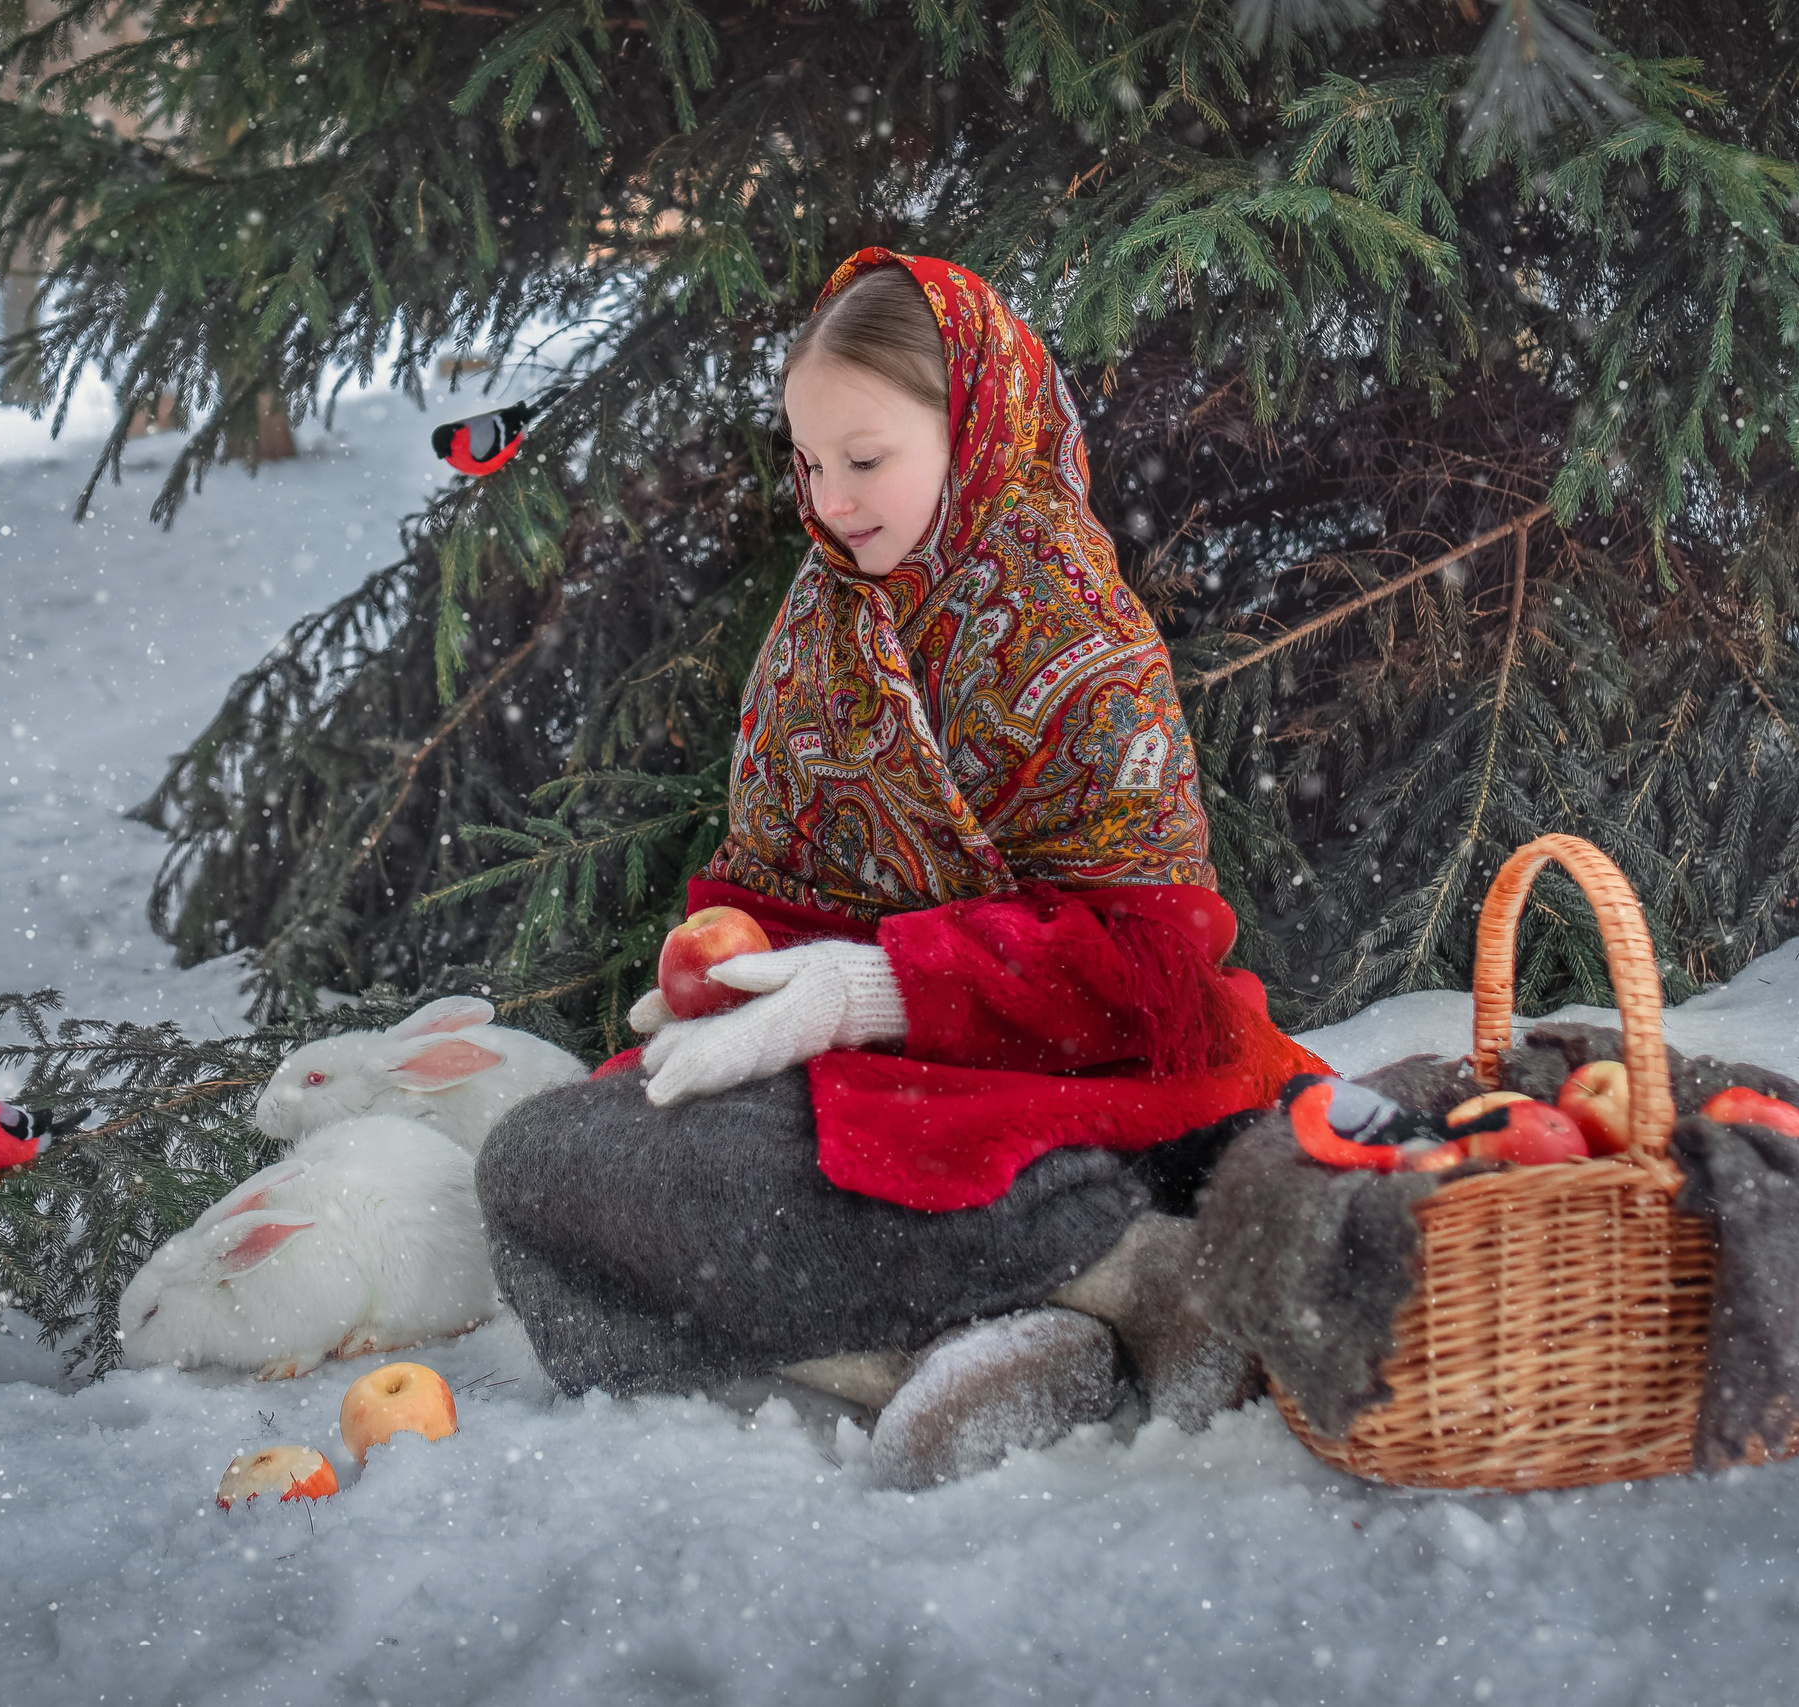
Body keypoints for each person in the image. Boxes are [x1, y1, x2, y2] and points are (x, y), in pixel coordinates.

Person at [474, 250, 1325, 1486]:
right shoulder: (823, 622)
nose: (830, 503)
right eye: (808, 464)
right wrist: (738, 975)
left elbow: (1151, 981)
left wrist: (872, 989)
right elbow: (778, 880)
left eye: (865, 460)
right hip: (881, 1083)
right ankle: (980, 1342)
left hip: (1063, 1080)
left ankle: (1133, 1274)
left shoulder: (1076, 633)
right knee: (544, 1167)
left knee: (835, 1174)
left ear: (972, 429)